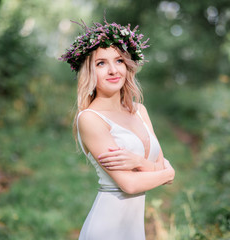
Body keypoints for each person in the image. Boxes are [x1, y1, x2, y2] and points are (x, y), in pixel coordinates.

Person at [60, 19, 175, 240]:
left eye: (119, 61)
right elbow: (130, 184)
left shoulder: (140, 111)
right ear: (89, 71)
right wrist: (168, 173)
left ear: (127, 65)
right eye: (101, 63)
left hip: (134, 229)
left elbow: (157, 166)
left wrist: (140, 163)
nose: (113, 70)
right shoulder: (90, 119)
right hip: (105, 229)